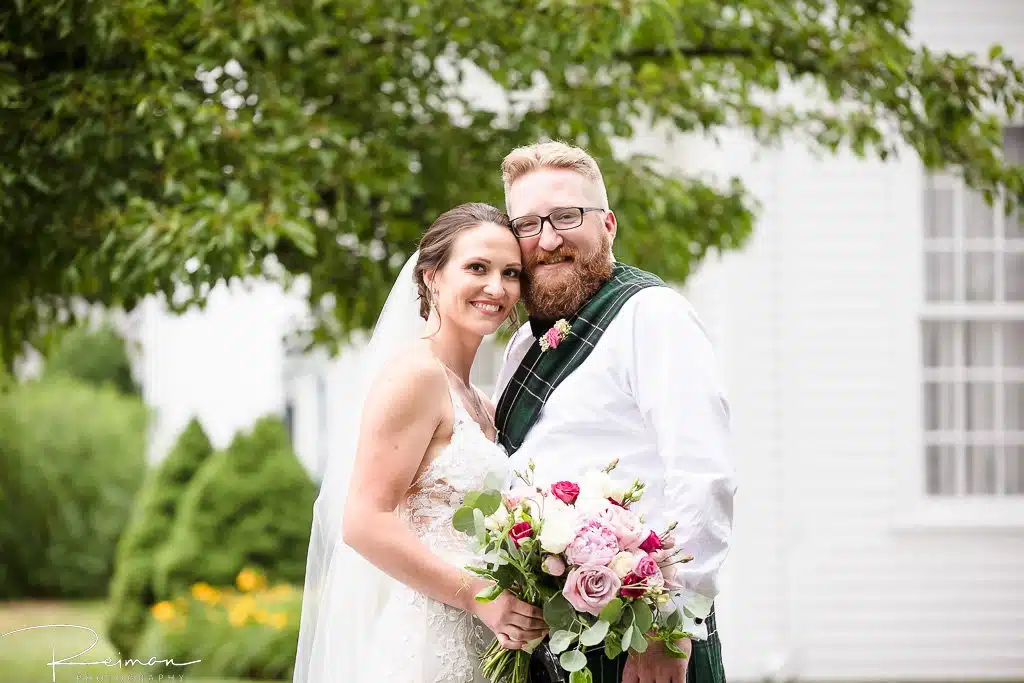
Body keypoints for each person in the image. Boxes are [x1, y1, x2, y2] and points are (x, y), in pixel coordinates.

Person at [492, 142, 737, 683]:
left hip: (641, 640)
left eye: (566, 216)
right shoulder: (521, 347)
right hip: (552, 641)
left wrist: (669, 627)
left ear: (608, 224)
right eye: (528, 224)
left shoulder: (654, 317)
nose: (548, 239)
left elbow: (704, 477)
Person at [292, 202, 547, 683]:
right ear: (432, 277)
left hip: (486, 645)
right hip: (431, 646)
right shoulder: (416, 376)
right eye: (477, 267)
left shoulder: (482, 402)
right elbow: (363, 522)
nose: (497, 287)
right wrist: (479, 595)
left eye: (511, 273)